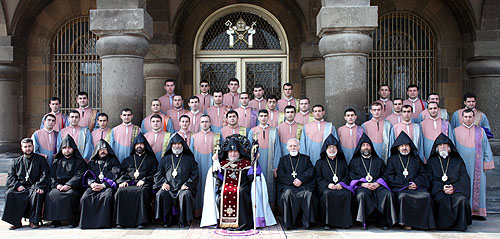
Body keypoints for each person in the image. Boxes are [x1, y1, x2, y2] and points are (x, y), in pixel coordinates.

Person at [200, 135, 276, 229]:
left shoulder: (246, 164)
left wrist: (255, 162)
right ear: (227, 152)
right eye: (231, 151)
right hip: (224, 188)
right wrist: (215, 163)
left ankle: (243, 223)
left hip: (243, 187)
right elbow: (218, 177)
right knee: (221, 196)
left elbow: (252, 176)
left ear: (239, 152)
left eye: (235, 151)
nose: (233, 154)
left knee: (241, 193)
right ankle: (224, 222)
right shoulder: (222, 164)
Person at [385, 132, 435, 230]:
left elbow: (424, 174)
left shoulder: (416, 159)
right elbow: (390, 176)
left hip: (416, 187)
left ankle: (423, 224)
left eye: (406, 145)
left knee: (426, 196)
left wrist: (416, 183)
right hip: (401, 188)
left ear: (410, 147)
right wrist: (406, 185)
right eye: (402, 145)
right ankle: (406, 223)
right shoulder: (392, 160)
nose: (404, 148)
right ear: (398, 148)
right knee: (403, 197)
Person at [451, 109, 494, 220]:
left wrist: (487, 162)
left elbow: (486, 148)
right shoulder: (455, 131)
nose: (468, 119)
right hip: (461, 166)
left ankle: (477, 212)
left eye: (470, 117)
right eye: (466, 117)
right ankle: (464, 212)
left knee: (478, 187)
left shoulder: (481, 132)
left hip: (477, 166)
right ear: (462, 118)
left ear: (474, 118)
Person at [349, 133, 396, 230]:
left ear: (371, 147)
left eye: (368, 145)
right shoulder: (355, 161)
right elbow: (351, 176)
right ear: (360, 148)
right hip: (362, 186)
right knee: (361, 195)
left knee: (387, 194)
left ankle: (384, 222)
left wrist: (377, 183)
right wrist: (363, 184)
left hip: (377, 186)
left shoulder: (378, 161)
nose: (366, 147)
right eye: (363, 145)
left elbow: (384, 174)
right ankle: (363, 221)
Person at [2, 138, 50, 230]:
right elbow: (10, 177)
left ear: (33, 147)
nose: (28, 149)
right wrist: (17, 186)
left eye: (29, 146)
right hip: (21, 187)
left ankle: (33, 221)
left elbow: (45, 174)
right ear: (22, 148)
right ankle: (15, 222)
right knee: (10, 194)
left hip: (34, 186)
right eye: (25, 147)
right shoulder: (16, 161)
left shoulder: (40, 159)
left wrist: (39, 186)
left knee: (37, 194)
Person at [427, 134, 472, 231]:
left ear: (450, 148)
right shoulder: (431, 162)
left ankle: (459, 226)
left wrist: (454, 188)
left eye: (445, 145)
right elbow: (428, 179)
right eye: (440, 145)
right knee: (440, 199)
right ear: (436, 148)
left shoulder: (458, 161)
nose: (442, 147)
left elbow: (464, 178)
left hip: (455, 190)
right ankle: (443, 226)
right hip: (439, 190)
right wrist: (441, 188)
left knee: (462, 199)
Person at [114, 133, 158, 229]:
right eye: (137, 144)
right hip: (130, 183)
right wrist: (124, 181)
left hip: (145, 183)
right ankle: (121, 222)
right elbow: (122, 172)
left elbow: (155, 173)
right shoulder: (127, 160)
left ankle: (141, 222)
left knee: (142, 191)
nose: (139, 146)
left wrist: (144, 180)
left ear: (145, 145)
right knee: (120, 191)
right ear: (134, 146)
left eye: (141, 144)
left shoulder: (152, 160)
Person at [154, 133, 199, 227]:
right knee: (161, 194)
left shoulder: (189, 159)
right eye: (174, 144)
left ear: (183, 145)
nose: (177, 146)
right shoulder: (165, 159)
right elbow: (158, 173)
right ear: (171, 146)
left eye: (179, 144)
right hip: (168, 187)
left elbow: (195, 174)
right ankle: (166, 220)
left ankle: (183, 220)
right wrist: (163, 183)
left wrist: (187, 184)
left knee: (185, 195)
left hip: (182, 188)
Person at [45, 135, 87, 228]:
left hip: (73, 187)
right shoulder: (57, 161)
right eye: (64, 148)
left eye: (69, 148)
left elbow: (79, 175)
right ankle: (55, 220)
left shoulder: (79, 161)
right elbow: (52, 176)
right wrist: (57, 185)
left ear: (73, 149)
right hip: (59, 185)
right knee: (52, 194)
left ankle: (72, 220)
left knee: (71, 195)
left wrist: (69, 185)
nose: (67, 150)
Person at [79, 139, 121, 229]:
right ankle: (88, 223)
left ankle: (104, 223)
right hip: (94, 186)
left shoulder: (113, 161)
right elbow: (88, 175)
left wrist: (103, 185)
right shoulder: (92, 162)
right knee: (85, 198)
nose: (102, 151)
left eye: (105, 149)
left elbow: (114, 174)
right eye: (100, 149)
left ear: (108, 150)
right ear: (97, 151)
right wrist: (92, 184)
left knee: (107, 197)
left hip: (107, 186)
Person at [277, 138, 316, 230]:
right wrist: (293, 181)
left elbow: (311, 170)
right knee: (288, 194)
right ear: (287, 148)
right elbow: (280, 173)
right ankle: (290, 224)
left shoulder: (306, 159)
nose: (293, 148)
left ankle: (306, 223)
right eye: (290, 146)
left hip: (303, 186)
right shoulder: (283, 160)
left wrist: (301, 179)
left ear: (299, 147)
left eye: (295, 146)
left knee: (308, 194)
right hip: (289, 186)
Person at [315, 135, 353, 229]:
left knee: (347, 194)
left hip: (340, 187)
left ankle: (344, 223)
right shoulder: (320, 163)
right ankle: (327, 223)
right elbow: (318, 178)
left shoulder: (342, 162)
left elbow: (347, 176)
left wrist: (341, 184)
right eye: (329, 147)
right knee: (327, 194)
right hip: (327, 188)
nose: (332, 149)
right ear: (325, 149)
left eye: (334, 147)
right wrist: (328, 185)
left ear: (337, 149)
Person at [248, 109, 281, 203]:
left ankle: (270, 209)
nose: (263, 118)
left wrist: (276, 166)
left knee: (269, 185)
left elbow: (277, 149)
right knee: (257, 184)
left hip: (270, 163)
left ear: (268, 117)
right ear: (258, 117)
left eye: (265, 116)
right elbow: (249, 149)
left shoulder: (274, 131)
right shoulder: (253, 131)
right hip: (257, 164)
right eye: (261, 116)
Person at [189, 115, 220, 216]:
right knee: (198, 187)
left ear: (210, 123)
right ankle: (197, 212)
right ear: (200, 123)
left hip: (211, 168)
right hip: (198, 168)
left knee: (211, 188)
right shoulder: (194, 137)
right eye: (202, 122)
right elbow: (190, 155)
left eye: (206, 121)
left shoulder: (217, 136)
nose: (204, 124)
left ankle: (211, 214)